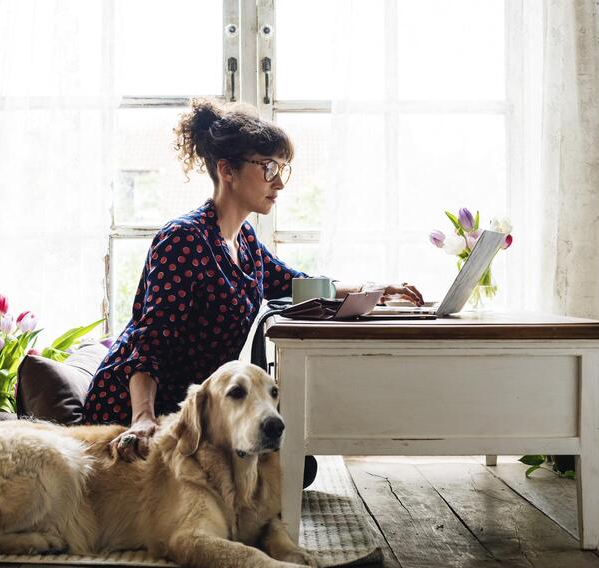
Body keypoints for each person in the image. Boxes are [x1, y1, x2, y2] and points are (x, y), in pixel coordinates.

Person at [83, 98, 423, 464]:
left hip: (198, 410)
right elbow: (150, 342)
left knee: (295, 463)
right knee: (287, 465)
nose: (278, 182)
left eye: (282, 169)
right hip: (131, 407)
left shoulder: (244, 242)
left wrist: (375, 290)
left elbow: (297, 284)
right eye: (269, 167)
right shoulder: (182, 240)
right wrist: (142, 419)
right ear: (227, 170)